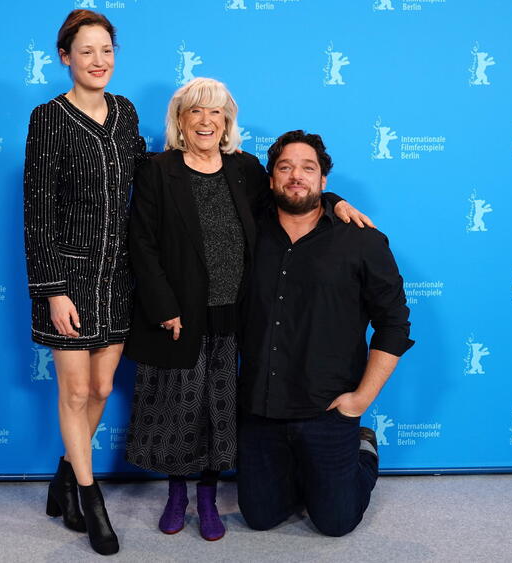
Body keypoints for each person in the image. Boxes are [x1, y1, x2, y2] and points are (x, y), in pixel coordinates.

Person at [123, 79, 371, 541]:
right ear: (180, 119)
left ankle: (208, 497)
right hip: (178, 316)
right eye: (195, 111)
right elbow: (142, 243)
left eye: (215, 113)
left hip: (233, 317)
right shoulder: (158, 170)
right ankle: (178, 493)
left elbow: (293, 197)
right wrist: (163, 307)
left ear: (227, 122)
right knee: (179, 411)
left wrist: (334, 202)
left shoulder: (245, 169)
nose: (205, 121)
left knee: (219, 412)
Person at [237, 130, 414, 537]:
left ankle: (363, 449)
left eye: (307, 168)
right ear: (270, 179)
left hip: (329, 409)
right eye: (285, 168)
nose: (295, 176)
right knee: (261, 517)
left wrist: (361, 400)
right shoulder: (247, 231)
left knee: (336, 522)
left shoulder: (362, 240)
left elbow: (394, 324)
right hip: (260, 408)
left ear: (323, 181)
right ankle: (301, 471)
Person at [23, 9, 146, 556]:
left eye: (107, 50)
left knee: (99, 389)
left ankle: (62, 479)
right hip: (67, 278)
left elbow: (149, 177)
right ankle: (91, 500)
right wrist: (52, 289)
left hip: (117, 275)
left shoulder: (124, 113)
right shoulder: (47, 118)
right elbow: (37, 212)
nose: (99, 61)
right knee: (73, 390)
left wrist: (215, 158)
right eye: (87, 51)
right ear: (65, 58)